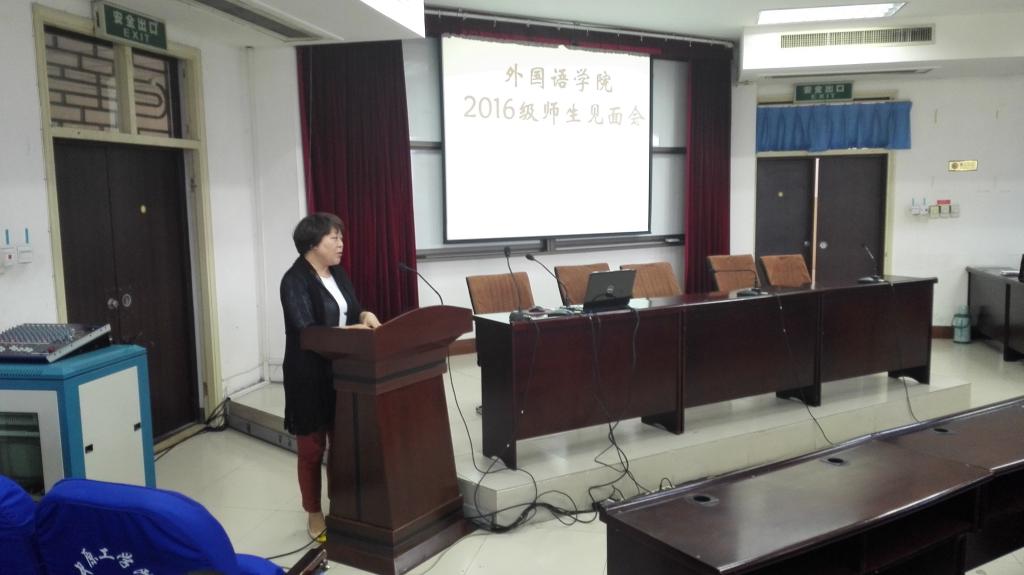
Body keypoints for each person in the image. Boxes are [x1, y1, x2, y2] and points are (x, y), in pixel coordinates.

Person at [280, 212, 380, 539]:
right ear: (312, 243)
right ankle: (314, 512)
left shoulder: (338, 272)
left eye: (341, 237)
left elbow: (352, 309)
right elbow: (308, 332)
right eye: (334, 238)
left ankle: (343, 502)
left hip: (344, 371)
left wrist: (365, 314)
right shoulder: (294, 280)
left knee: (343, 444)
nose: (341, 244)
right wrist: (351, 331)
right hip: (308, 375)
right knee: (312, 449)